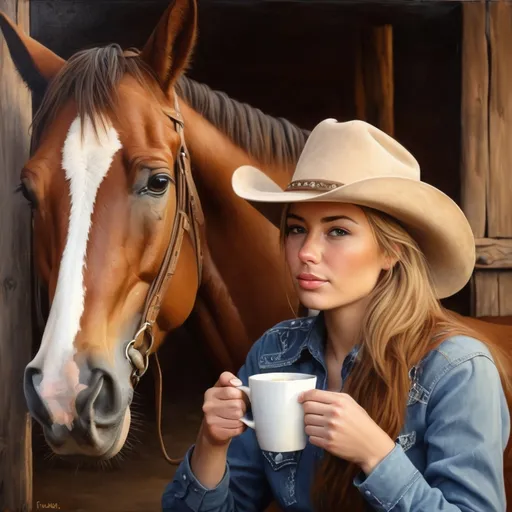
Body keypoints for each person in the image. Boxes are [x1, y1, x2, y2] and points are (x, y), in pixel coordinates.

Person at [161, 119, 511, 511]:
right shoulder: (275, 352)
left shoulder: (457, 370)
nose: (307, 251)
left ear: (390, 251)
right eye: (296, 228)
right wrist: (211, 444)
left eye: (337, 231)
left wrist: (377, 455)